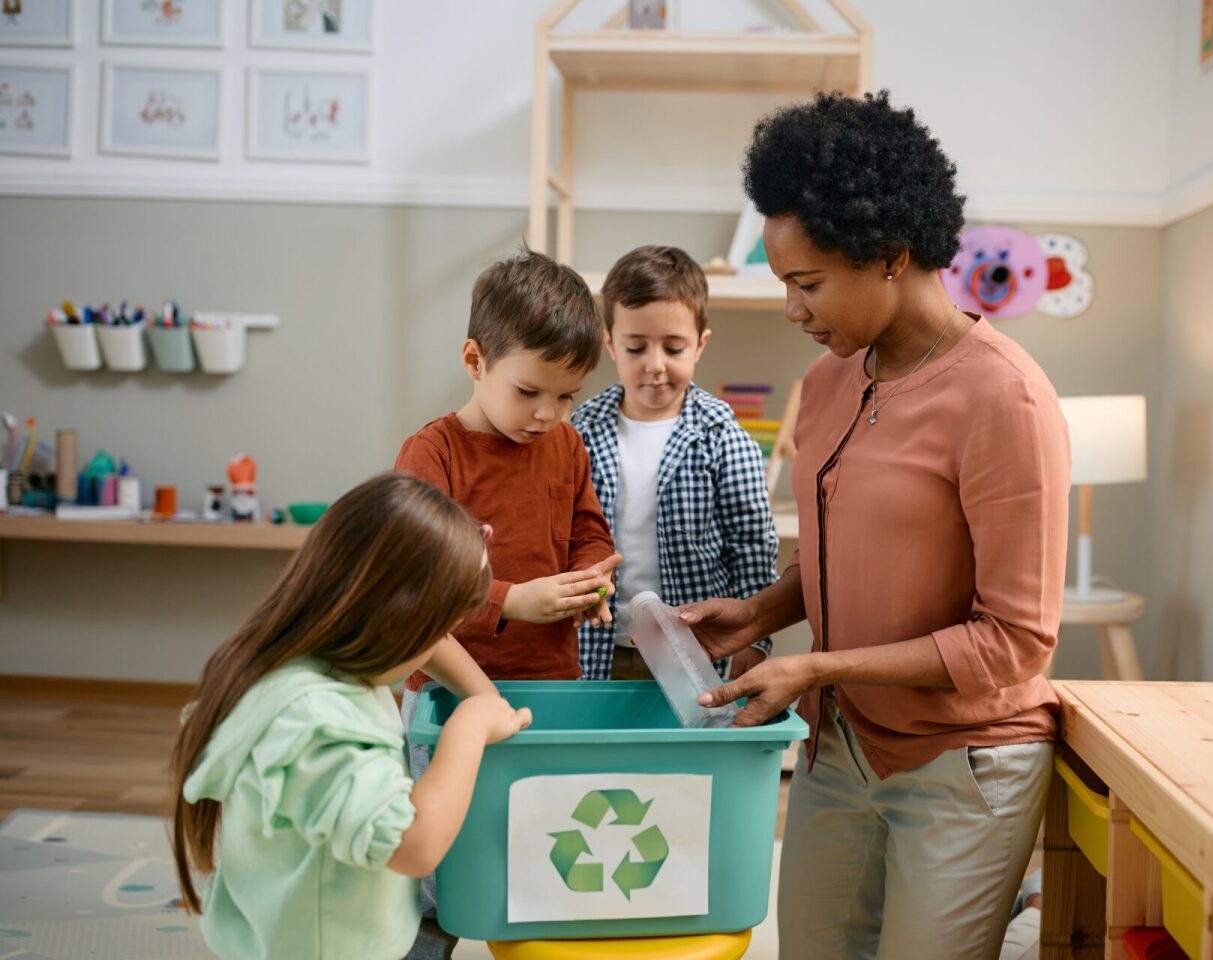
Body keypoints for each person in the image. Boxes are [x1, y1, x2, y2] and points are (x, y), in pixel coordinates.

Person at [680, 91, 1071, 959]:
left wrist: (817, 663)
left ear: (893, 257)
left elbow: (1015, 641)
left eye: (807, 284)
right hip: (840, 741)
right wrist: (760, 613)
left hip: (965, 761)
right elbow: (843, 553)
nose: (792, 309)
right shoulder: (824, 385)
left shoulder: (1002, 396)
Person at [171, 472, 533, 960]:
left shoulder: (286, 665)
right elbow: (414, 846)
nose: (439, 644)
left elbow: (428, 648)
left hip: (283, 928)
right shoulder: (320, 726)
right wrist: (467, 727)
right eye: (437, 629)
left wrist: (487, 699)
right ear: (392, 620)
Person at [393, 248, 621, 956]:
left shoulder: (569, 448)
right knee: (439, 864)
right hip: (445, 694)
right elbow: (411, 587)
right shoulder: (432, 454)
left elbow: (590, 533)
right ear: (474, 360)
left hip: (548, 690)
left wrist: (592, 579)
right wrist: (511, 601)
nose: (548, 415)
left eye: (567, 397)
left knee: (538, 846)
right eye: (530, 393)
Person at [571, 244, 778, 681]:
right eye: (636, 347)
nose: (655, 365)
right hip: (597, 647)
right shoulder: (581, 431)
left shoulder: (721, 434)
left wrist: (756, 641)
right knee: (606, 746)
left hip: (692, 651)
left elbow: (752, 544)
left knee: (685, 745)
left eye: (673, 347)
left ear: (699, 345)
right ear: (610, 343)